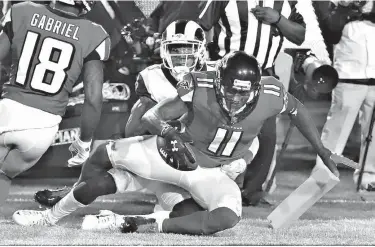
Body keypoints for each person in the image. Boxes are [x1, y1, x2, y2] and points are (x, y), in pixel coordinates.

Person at [13, 51, 339, 236]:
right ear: (218, 81)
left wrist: (322, 149)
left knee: (224, 218)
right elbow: (154, 115)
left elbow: (297, 111)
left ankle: (132, 223)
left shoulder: (272, 93)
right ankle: (51, 214)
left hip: (212, 174)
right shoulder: (200, 85)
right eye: (230, 90)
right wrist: (168, 133)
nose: (236, 98)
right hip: (171, 157)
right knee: (103, 157)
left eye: (244, 92)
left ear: (256, 89)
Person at [33, 20, 214, 224]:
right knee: (110, 152)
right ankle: (74, 193)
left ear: (201, 50)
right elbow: (132, 131)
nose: (181, 56)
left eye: (187, 49)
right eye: (175, 49)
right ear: (164, 51)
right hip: (162, 153)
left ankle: (119, 218)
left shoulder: (216, 75)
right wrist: (160, 126)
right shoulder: (152, 77)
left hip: (203, 155)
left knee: (192, 211)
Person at [0, 0, 110, 205]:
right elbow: (94, 99)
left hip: (9, 111)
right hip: (43, 128)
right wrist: (84, 143)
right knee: (4, 175)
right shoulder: (95, 34)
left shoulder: (22, 10)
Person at [197, 0, 307, 204]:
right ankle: (204, 186)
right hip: (224, 73)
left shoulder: (286, 2)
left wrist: (278, 19)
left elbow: (299, 35)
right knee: (214, 130)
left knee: (266, 136)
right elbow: (202, 25)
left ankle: (252, 192)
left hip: (263, 75)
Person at [313, 0, 375, 190]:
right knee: (336, 129)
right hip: (348, 76)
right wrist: (346, 7)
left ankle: (368, 177)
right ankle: (323, 175)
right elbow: (330, 31)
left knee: (373, 133)